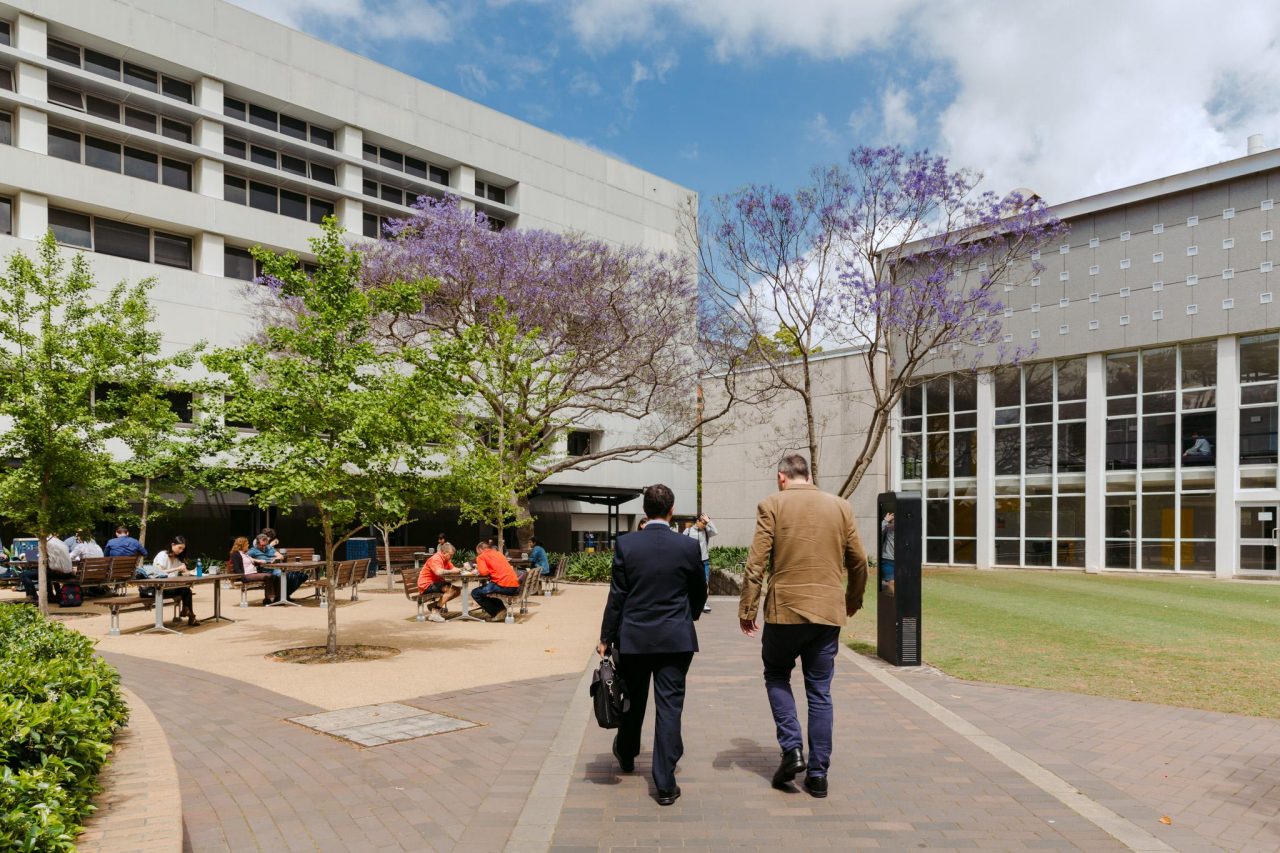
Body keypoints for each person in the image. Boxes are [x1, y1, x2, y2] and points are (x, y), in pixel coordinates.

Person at [739, 453, 867, 799]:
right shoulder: (841, 506)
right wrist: (852, 599)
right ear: (808, 476)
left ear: (782, 478)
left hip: (785, 612)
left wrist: (748, 608)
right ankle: (819, 773)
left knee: (777, 675)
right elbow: (859, 560)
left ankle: (792, 749)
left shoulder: (772, 505)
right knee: (820, 691)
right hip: (827, 613)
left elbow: (756, 563)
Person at [598, 483, 706, 806]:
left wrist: (606, 637)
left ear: (645, 511)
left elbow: (617, 595)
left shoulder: (627, 545)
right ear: (671, 510)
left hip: (634, 638)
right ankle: (665, 782)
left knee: (633, 701)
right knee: (670, 706)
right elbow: (699, 590)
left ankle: (627, 753)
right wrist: (691, 616)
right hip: (676, 638)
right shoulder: (686, 547)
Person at [469, 540, 521, 621]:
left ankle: (497, 612)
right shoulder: (498, 553)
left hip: (503, 585)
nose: (478, 554)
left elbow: (483, 572)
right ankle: (501, 610)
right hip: (514, 585)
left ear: (480, 550)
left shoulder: (481, 556)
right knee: (486, 591)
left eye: (477, 552)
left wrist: (478, 569)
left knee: (476, 593)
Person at [152, 535, 197, 626]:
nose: (181, 551)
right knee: (186, 590)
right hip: (158, 588)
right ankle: (189, 614)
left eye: (183, 549)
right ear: (173, 545)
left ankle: (187, 611)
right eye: (179, 548)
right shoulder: (163, 555)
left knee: (187, 590)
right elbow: (158, 572)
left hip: (171, 586)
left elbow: (182, 571)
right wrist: (177, 568)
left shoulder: (177, 558)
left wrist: (191, 572)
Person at [248, 533, 305, 603]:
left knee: (298, 575)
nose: (264, 547)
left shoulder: (269, 548)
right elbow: (246, 557)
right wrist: (257, 560)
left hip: (276, 568)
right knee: (282, 575)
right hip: (266, 570)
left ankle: (284, 595)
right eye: (262, 545)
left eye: (265, 545)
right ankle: (280, 597)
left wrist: (275, 559)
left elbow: (281, 556)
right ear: (257, 544)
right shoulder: (253, 551)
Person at [21, 534, 76, 602]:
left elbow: (41, 559)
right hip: (67, 573)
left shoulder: (45, 542)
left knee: (24, 575)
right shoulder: (60, 542)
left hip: (58, 573)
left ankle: (33, 596)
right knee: (48, 571)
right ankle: (51, 595)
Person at [683, 512, 717, 613]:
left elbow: (716, 531)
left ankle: (703, 603)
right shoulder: (688, 531)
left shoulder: (706, 531)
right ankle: (688, 602)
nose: (704, 524)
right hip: (691, 561)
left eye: (706, 523)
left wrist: (708, 521)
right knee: (690, 582)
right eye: (703, 522)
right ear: (697, 521)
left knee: (705, 583)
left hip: (704, 561)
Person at [418, 543, 461, 621]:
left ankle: (434, 606)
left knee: (457, 591)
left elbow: (453, 568)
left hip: (435, 583)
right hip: (426, 585)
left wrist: (462, 570)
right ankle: (435, 612)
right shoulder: (436, 559)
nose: (452, 557)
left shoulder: (446, 559)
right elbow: (438, 572)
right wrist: (451, 571)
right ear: (444, 553)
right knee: (451, 590)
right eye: (450, 555)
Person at [880, 512, 896, 596]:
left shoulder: (906, 530)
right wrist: (885, 520)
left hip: (902, 561)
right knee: (891, 582)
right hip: (887, 560)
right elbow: (878, 530)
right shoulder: (888, 528)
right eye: (892, 522)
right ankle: (896, 600)